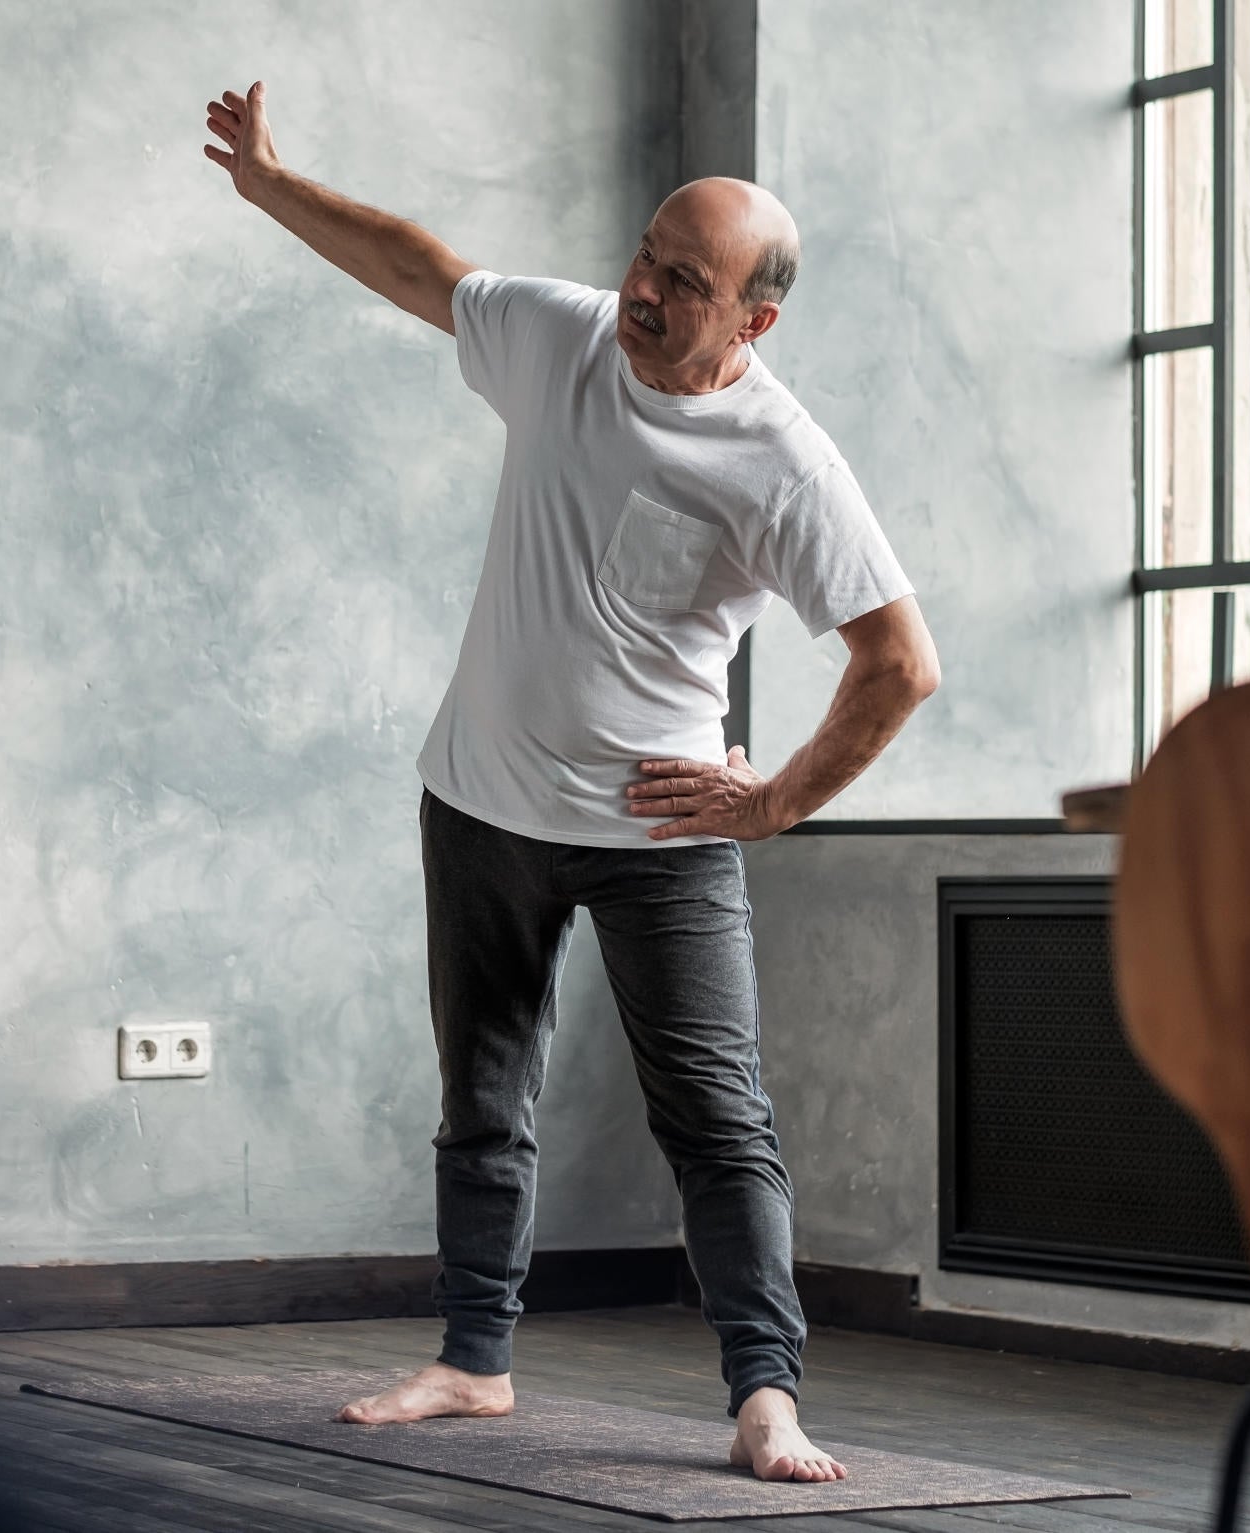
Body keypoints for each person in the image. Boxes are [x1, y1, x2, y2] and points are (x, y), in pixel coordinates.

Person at [204, 80, 940, 1485]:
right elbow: (420, 263)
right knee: (482, 1096)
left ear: (753, 321)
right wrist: (270, 187)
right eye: (647, 255)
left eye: (685, 279)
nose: (644, 288)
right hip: (478, 799)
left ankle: (766, 1396)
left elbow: (900, 662)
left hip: (656, 838)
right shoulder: (567, 338)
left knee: (717, 1120)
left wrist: (774, 799)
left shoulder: (785, 464)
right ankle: (474, 1362)